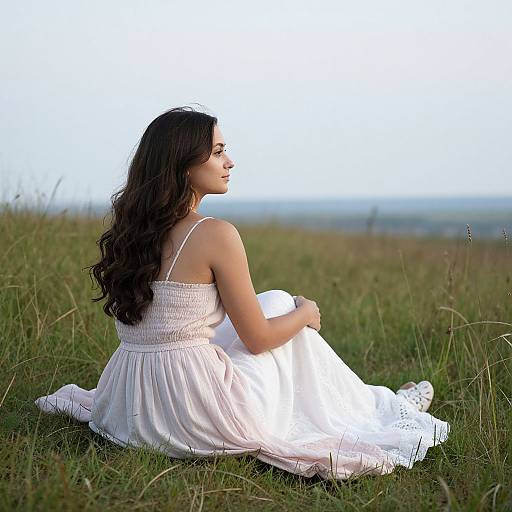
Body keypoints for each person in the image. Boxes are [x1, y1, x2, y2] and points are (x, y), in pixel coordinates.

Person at [35, 106, 450, 480]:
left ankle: (373, 401)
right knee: (288, 311)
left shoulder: (131, 231)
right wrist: (306, 313)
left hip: (128, 404)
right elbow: (259, 339)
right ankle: (381, 408)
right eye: (217, 152)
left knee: (273, 301)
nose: (229, 161)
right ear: (183, 164)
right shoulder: (215, 233)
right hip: (197, 411)